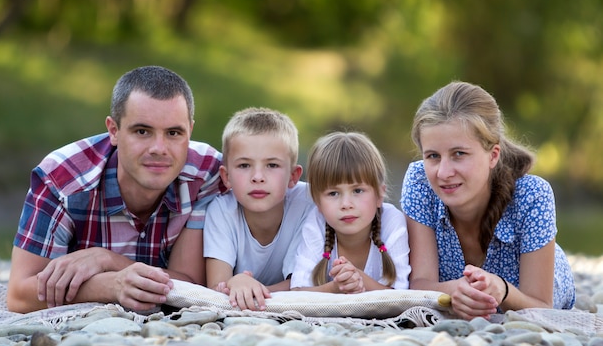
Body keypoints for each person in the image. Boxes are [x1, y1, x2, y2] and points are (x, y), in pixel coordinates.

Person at [7, 65, 225, 313]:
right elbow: (20, 295)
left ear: (190, 132)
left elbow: (196, 285)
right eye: (142, 131)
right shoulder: (63, 179)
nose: (159, 148)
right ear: (114, 131)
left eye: (174, 132)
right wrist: (111, 286)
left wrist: (107, 261)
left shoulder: (207, 173)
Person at [400, 80, 576, 320]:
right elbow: (419, 284)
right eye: (433, 156)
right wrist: (455, 292)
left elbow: (542, 307)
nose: (443, 172)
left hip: (529, 291)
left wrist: (502, 289)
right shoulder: (420, 181)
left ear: (493, 155)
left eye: (459, 154)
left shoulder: (533, 195)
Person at [204, 107, 315, 311]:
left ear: (293, 176)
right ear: (226, 176)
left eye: (272, 165)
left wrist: (246, 289)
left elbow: (302, 285)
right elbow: (216, 287)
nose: (257, 177)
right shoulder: (220, 210)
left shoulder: (308, 205)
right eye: (244, 165)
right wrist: (235, 283)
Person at [291, 131, 410, 293]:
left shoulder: (391, 221)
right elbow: (297, 292)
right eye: (333, 193)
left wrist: (359, 279)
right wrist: (336, 287)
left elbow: (401, 295)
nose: (346, 204)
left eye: (358, 191)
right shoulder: (317, 222)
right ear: (317, 202)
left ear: (379, 195)